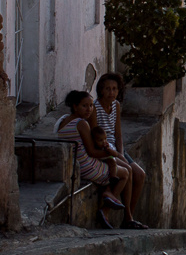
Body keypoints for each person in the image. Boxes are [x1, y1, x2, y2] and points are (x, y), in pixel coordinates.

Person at [57, 90, 140, 229]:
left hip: (77, 162)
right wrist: (112, 154)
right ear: (75, 106)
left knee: (118, 166)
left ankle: (111, 196)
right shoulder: (81, 123)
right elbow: (92, 152)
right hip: (86, 166)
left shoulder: (64, 120)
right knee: (125, 173)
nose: (89, 109)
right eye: (84, 106)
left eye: (91, 106)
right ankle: (108, 204)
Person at [92, 73, 148, 228]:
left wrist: (121, 153)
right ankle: (116, 214)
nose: (111, 92)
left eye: (115, 89)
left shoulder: (116, 105)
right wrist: (113, 153)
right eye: (108, 89)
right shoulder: (95, 108)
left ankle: (128, 216)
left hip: (116, 149)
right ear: (101, 90)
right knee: (127, 170)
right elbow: (95, 136)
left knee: (140, 174)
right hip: (105, 149)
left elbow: (118, 134)